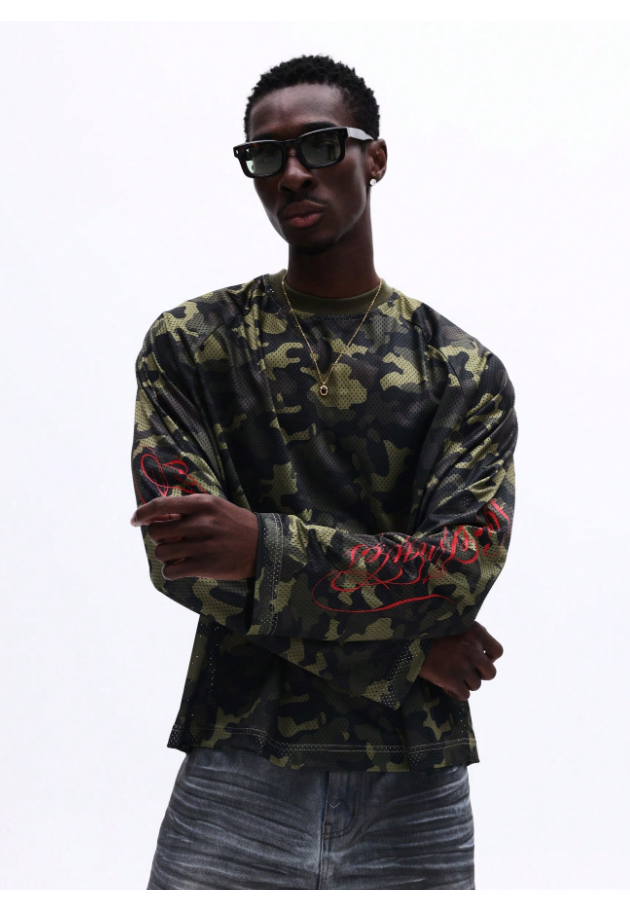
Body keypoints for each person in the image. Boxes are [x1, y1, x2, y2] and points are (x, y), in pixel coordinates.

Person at [130, 54, 517, 890]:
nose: (293, 173)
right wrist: (404, 657)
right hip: (240, 766)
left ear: (375, 157)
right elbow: (184, 558)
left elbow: (456, 573)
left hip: (413, 783)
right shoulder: (192, 344)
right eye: (266, 155)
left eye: (319, 145)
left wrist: (258, 547)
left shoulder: (462, 370)